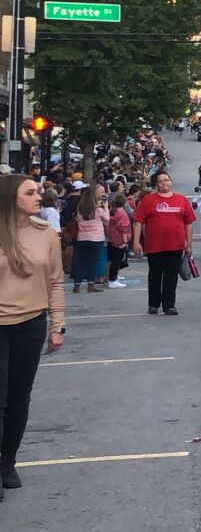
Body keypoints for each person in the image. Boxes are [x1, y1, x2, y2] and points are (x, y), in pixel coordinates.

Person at [0, 176, 64, 497]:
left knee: (18, 397)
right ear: (12, 198)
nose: (39, 196)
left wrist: (58, 325)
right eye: (31, 192)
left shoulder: (46, 234)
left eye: (39, 191)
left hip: (31, 324)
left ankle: (7, 460)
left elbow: (55, 282)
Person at [132, 172, 195, 317]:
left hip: (176, 245)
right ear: (156, 184)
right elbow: (138, 222)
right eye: (160, 181)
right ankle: (153, 304)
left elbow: (189, 223)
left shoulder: (181, 200)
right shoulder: (148, 200)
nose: (163, 183)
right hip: (154, 245)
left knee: (171, 276)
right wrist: (136, 242)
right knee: (155, 275)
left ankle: (169, 305)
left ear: (171, 182)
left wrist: (189, 244)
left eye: (166, 180)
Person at [70, 186, 107, 293]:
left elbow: (76, 219)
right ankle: (91, 284)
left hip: (82, 238)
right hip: (96, 238)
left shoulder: (79, 209)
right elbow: (107, 218)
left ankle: (77, 285)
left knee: (80, 262)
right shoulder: (98, 209)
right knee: (93, 262)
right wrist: (106, 207)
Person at [105, 193, 132, 287]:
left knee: (112, 259)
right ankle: (112, 279)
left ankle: (113, 277)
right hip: (119, 239)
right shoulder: (123, 214)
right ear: (124, 203)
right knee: (117, 259)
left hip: (111, 238)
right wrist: (125, 241)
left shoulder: (113, 211)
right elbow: (124, 228)